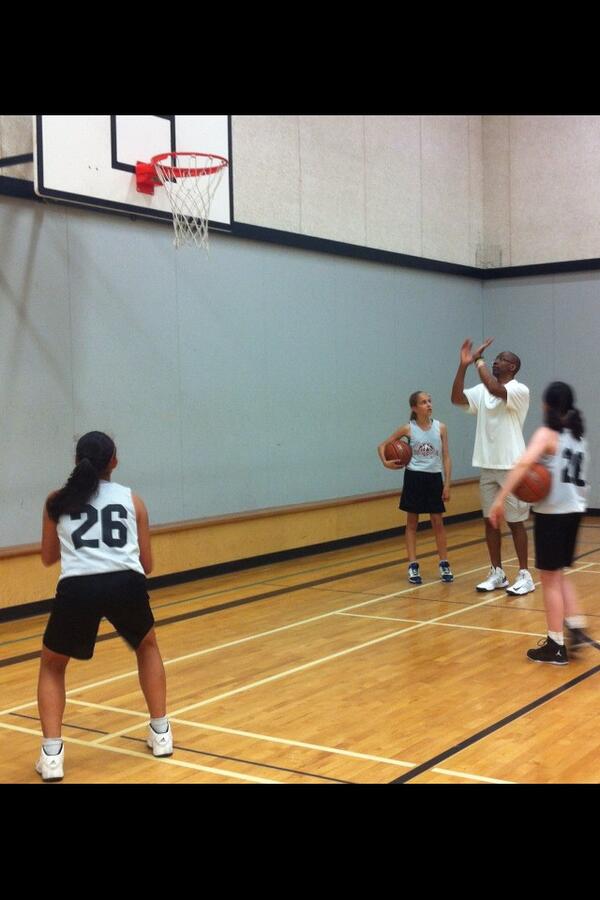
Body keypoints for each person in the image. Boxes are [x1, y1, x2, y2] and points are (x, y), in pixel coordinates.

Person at [36, 431, 172, 782]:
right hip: (125, 582)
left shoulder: (56, 500)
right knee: (147, 646)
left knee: (52, 665)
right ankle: (161, 734)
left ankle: (52, 757)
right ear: (114, 461)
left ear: (76, 461)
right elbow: (147, 564)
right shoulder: (132, 500)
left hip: (78, 587)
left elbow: (48, 557)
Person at [488, 382, 593, 664]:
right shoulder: (578, 437)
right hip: (574, 511)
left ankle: (555, 644)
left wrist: (500, 498)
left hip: (553, 515)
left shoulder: (547, 434)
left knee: (549, 579)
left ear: (546, 405)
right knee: (557, 574)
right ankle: (576, 625)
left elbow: (523, 465)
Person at [451, 338, 534, 595]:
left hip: (512, 466)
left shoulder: (519, 390)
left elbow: (494, 387)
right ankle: (497, 572)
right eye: (494, 359)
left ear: (513, 367)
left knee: (516, 522)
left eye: (501, 359)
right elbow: (456, 399)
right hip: (487, 465)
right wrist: (463, 365)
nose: (495, 362)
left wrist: (479, 360)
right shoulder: (482, 390)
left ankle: (525, 575)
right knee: (490, 521)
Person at [378, 391, 453, 585]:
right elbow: (383, 445)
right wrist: (386, 462)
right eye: (423, 402)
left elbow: (446, 456)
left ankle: (444, 563)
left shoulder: (441, 427)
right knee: (412, 523)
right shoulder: (408, 428)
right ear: (414, 407)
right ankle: (413, 565)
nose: (428, 404)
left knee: (438, 522)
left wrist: (447, 484)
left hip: (434, 477)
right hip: (414, 477)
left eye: (430, 401)